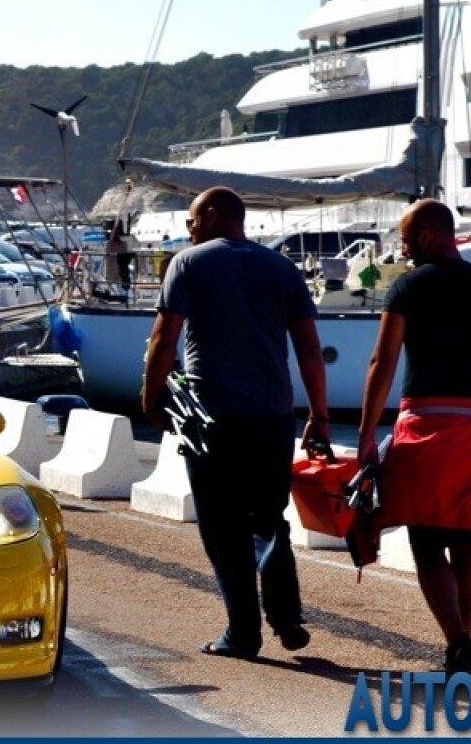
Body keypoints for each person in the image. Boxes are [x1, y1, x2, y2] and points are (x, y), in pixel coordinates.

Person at [141, 186, 330, 661]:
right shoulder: (282, 268)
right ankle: (286, 616)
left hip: (213, 419)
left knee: (223, 528)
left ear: (212, 214)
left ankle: (242, 633)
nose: (189, 229)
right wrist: (319, 416)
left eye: (192, 220)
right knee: (269, 519)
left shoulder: (188, 263)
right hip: (272, 417)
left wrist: (150, 398)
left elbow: (165, 338)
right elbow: (309, 349)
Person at [356, 199, 471, 673]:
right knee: (468, 544)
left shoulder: (408, 288)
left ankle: (456, 640)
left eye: (407, 238)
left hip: (424, 427)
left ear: (430, 235)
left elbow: (381, 364)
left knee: (427, 542)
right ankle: (462, 642)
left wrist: (368, 435)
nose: (403, 248)